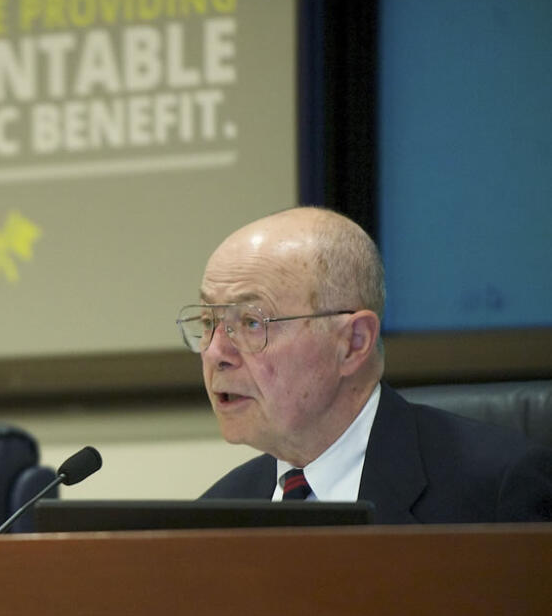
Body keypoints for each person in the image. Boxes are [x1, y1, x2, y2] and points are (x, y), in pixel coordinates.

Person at [181, 206, 552, 522]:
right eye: (208, 323)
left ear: (353, 343)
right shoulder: (215, 515)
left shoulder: (496, 492)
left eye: (251, 322)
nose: (214, 352)